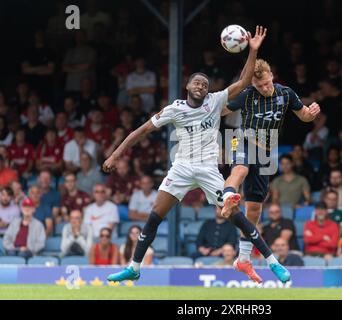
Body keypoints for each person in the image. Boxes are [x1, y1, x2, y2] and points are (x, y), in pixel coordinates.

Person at [104, 27, 291, 284]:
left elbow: (245, 81)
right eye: (196, 82)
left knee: (237, 215)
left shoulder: (214, 101)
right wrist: (115, 155)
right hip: (181, 168)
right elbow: (142, 130)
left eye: (204, 83)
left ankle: (272, 262)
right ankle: (134, 267)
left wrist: (253, 50)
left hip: (207, 169)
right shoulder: (174, 109)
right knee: (155, 215)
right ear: (187, 86)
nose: (201, 85)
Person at [219, 54, 320, 281]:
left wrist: (311, 113)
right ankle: (227, 196)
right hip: (239, 138)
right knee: (240, 170)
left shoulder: (286, 93)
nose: (264, 88)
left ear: (272, 76)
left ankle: (243, 259)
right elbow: (221, 110)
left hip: (265, 151)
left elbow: (303, 115)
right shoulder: (247, 94)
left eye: (267, 83)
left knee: (254, 209)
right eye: (259, 85)